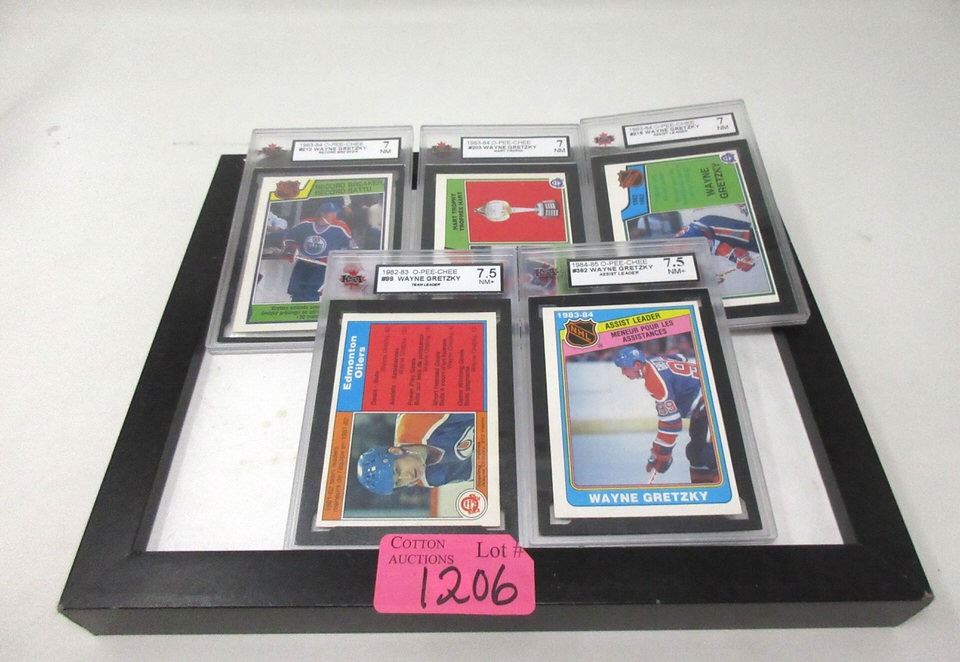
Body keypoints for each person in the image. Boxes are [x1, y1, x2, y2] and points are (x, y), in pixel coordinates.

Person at [614, 346, 719, 484]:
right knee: (695, 453)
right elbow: (680, 358)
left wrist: (662, 454)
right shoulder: (654, 361)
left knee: (711, 454)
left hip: (712, 403)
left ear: (637, 365)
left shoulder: (653, 379)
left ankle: (719, 492)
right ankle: (704, 491)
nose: (623, 372)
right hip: (702, 406)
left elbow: (672, 422)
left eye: (624, 368)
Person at [356, 413, 476, 496]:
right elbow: (480, 471)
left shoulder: (413, 420)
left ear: (395, 452)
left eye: (397, 470)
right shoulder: (428, 479)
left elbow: (480, 403)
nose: (407, 477)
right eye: (398, 482)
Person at [281, 200, 356, 301]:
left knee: (312, 293)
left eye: (334, 213)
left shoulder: (340, 227)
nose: (334, 215)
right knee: (296, 292)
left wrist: (343, 261)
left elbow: (351, 246)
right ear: (321, 213)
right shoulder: (305, 224)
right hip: (303, 263)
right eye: (330, 213)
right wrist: (292, 250)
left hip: (323, 266)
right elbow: (289, 238)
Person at [674, 214, 758, 275]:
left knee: (757, 239)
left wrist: (739, 257)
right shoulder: (680, 244)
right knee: (757, 239)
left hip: (714, 228)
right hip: (709, 226)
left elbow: (716, 247)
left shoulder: (683, 244)